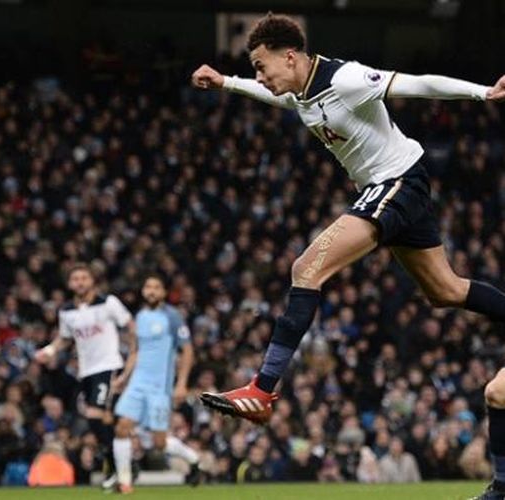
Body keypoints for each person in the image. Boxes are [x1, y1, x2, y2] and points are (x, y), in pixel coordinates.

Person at [190, 13, 505, 499]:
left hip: (397, 183)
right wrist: (227, 82)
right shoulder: (297, 91)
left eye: (260, 65)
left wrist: (481, 93)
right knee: (445, 291)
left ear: (289, 56)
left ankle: (263, 388)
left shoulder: (348, 79)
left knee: (306, 267)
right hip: (395, 187)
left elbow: (417, 84)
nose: (260, 75)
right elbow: (267, 95)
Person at [34, 263, 136, 489]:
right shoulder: (67, 311)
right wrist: (50, 350)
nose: (80, 282)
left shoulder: (108, 303)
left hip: (109, 366)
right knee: (101, 420)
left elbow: (130, 326)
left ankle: (117, 467)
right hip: (86, 371)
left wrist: (133, 357)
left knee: (95, 416)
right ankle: (122, 466)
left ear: (92, 281)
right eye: (75, 279)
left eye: (83, 278)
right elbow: (64, 338)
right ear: (70, 284)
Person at [112, 274, 200, 492]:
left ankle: (193, 459)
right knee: (122, 428)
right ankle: (124, 482)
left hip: (159, 387)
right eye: (148, 286)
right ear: (143, 291)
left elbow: (187, 351)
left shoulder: (173, 317)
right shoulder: (139, 316)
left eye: (156, 287)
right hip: (137, 383)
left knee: (158, 444)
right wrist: (124, 376)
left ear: (163, 292)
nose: (151, 291)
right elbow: (135, 350)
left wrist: (181, 384)